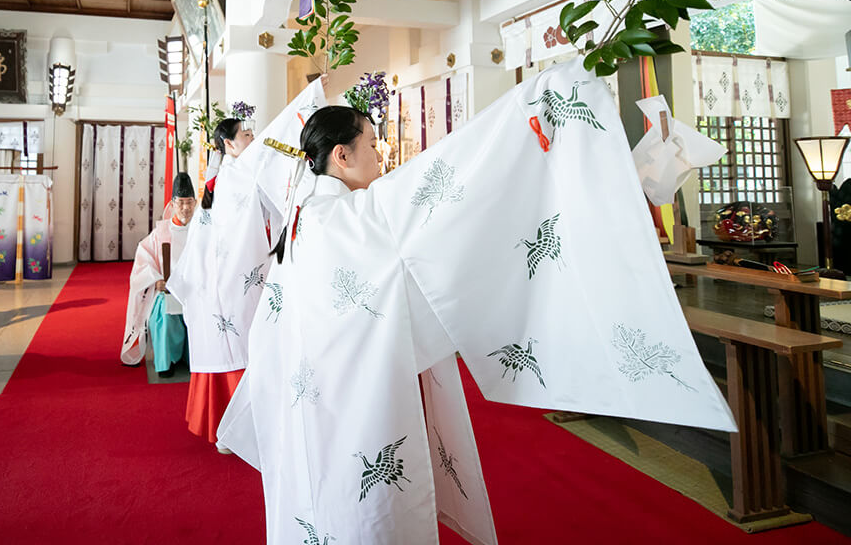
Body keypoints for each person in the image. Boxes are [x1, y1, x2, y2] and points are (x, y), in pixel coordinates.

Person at [217, 61, 738, 545]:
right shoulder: (356, 218)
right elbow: (461, 179)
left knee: (320, 495)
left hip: (313, 394)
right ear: (342, 155)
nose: (382, 155)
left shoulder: (308, 215)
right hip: (353, 400)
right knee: (361, 510)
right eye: (372, 144)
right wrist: (545, 97)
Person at [169, 80, 326, 451]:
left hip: (236, 274)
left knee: (246, 341)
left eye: (254, 133)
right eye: (246, 134)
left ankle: (237, 430)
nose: (254, 138)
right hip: (225, 278)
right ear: (228, 144)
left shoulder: (235, 175)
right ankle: (233, 430)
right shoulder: (232, 177)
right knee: (243, 341)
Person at [121, 172, 197, 376]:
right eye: (181, 202)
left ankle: (195, 358)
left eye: (189, 202)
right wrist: (156, 281)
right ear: (172, 204)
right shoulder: (161, 233)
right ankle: (166, 361)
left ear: (195, 203)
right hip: (168, 291)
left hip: (195, 291)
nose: (185, 208)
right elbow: (143, 260)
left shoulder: (201, 230)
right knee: (165, 310)